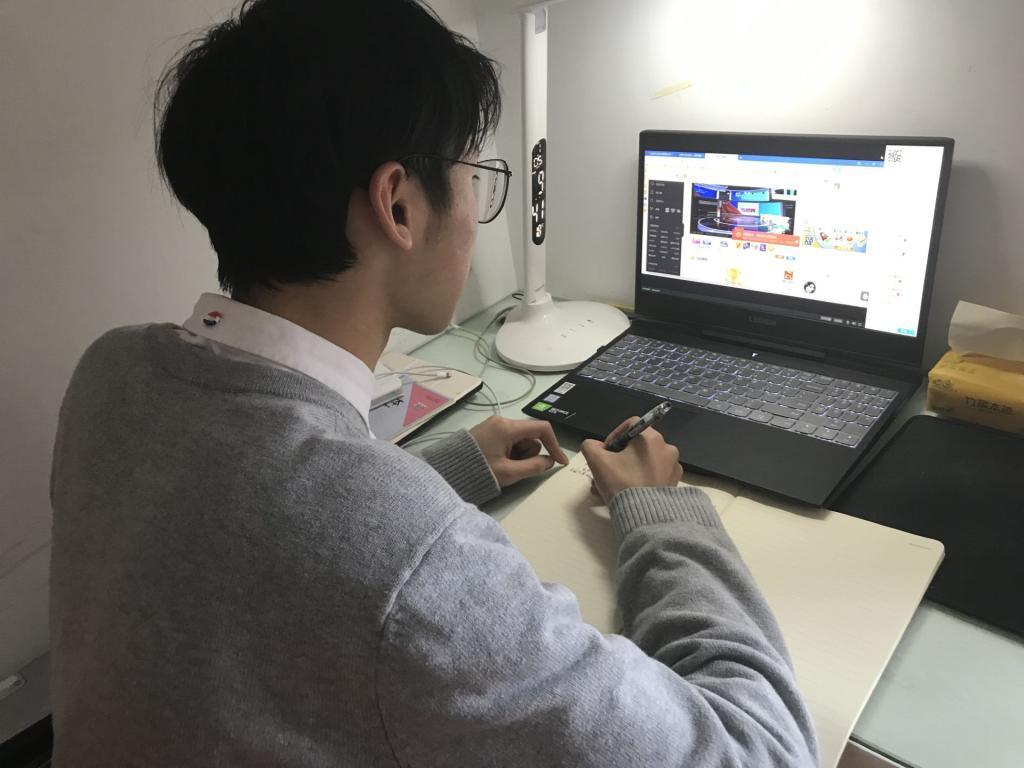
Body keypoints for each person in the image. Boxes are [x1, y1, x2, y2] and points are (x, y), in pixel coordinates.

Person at [48, 1, 818, 765]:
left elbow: (258, 527)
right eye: (475, 177)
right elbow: (762, 752)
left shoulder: (113, 374)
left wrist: (448, 469)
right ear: (399, 205)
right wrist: (661, 513)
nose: (477, 213)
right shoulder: (418, 562)